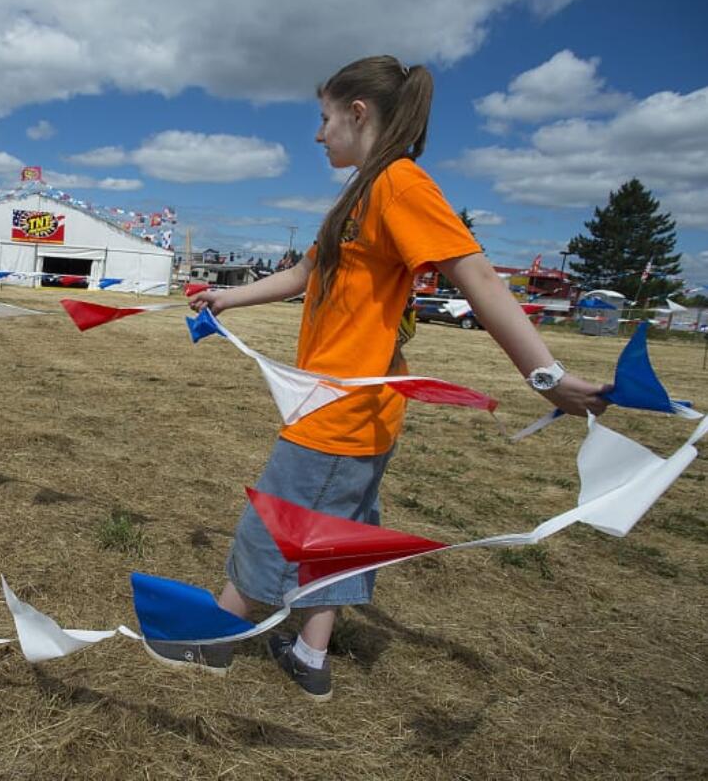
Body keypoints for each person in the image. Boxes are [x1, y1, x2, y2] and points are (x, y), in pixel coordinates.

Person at [144, 56, 609, 700]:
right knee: (338, 530)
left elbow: (474, 276)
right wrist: (231, 298)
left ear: (358, 113)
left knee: (277, 522)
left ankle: (217, 637)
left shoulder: (401, 184)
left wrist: (546, 374)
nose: (318, 134)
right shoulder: (360, 192)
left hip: (344, 409)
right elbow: (309, 273)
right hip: (345, 403)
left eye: (325, 117)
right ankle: (310, 654)